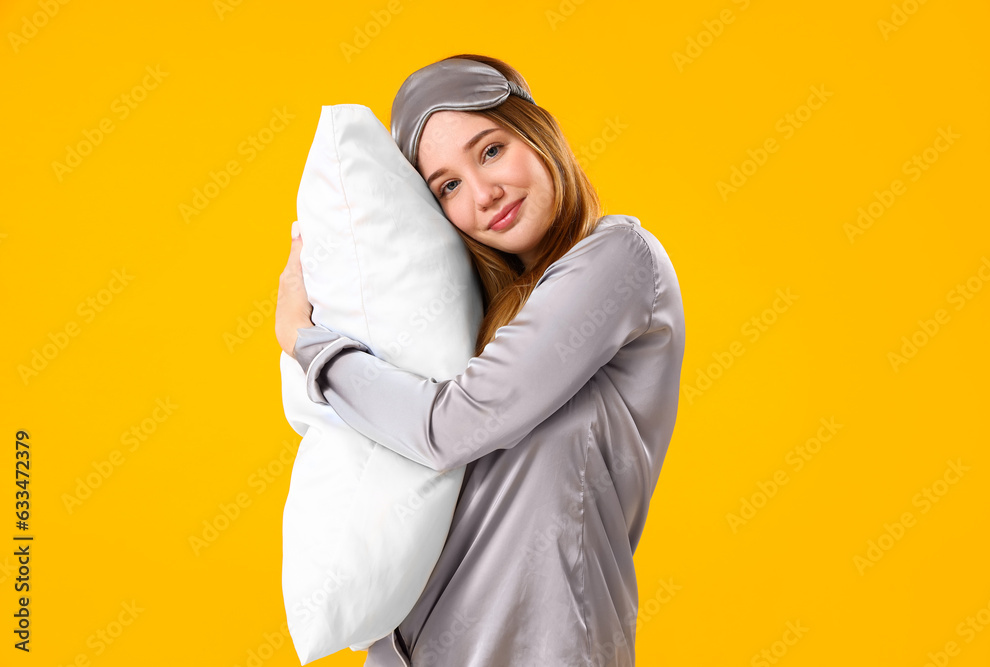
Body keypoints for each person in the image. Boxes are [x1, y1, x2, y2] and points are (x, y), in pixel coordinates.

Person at [274, 54, 685, 667]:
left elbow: (449, 426)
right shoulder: (468, 325)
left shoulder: (620, 261)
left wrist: (308, 344)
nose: (485, 194)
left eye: (490, 151)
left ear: (536, 131)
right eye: (449, 186)